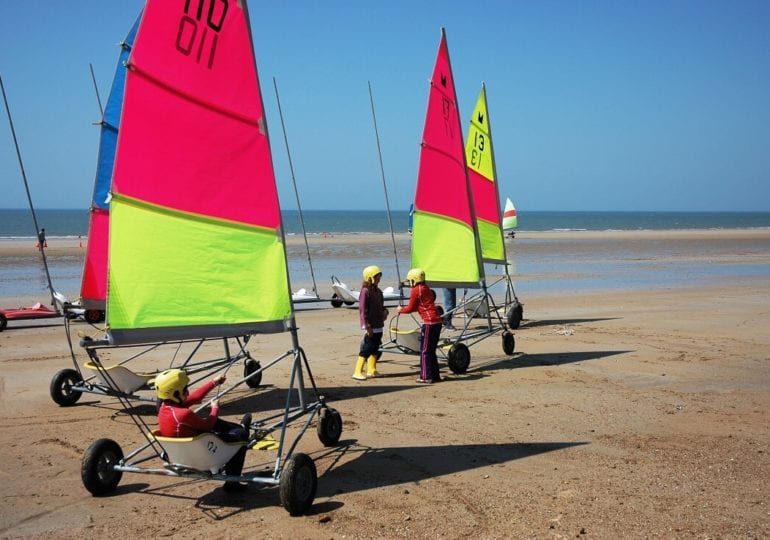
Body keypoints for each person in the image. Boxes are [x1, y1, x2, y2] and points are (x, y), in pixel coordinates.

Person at [155, 368, 251, 492]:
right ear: (175, 394)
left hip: (182, 453)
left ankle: (239, 428)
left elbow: (195, 397)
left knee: (218, 422)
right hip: (205, 455)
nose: (188, 393)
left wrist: (214, 382)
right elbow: (207, 426)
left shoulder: (165, 408)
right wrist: (215, 408)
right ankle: (232, 484)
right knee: (240, 439)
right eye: (185, 390)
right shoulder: (183, 414)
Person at [399, 268, 443, 383]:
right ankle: (435, 376)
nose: (410, 283)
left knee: (424, 351)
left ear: (414, 280)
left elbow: (410, 308)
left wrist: (400, 309)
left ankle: (425, 377)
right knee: (431, 350)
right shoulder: (425, 287)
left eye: (410, 281)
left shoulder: (416, 290)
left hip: (429, 323)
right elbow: (415, 306)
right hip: (437, 322)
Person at [353, 265, 388, 380]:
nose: (379, 279)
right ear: (370, 278)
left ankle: (371, 370)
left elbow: (381, 306)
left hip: (379, 324)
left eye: (379, 276)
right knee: (368, 347)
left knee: (376, 347)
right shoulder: (365, 291)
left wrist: (385, 311)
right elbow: (362, 310)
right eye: (377, 277)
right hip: (371, 325)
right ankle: (357, 371)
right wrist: (366, 325)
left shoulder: (378, 291)